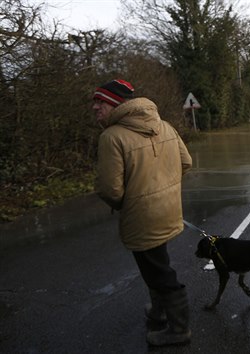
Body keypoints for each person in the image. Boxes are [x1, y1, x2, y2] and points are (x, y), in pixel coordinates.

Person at [92, 79, 193, 346]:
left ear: (115, 103)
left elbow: (109, 189)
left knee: (159, 272)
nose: (95, 107)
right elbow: (186, 161)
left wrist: (133, 200)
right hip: (169, 211)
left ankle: (179, 329)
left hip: (142, 217)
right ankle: (159, 313)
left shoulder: (111, 137)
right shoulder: (166, 126)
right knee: (157, 264)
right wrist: (165, 191)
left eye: (99, 102)